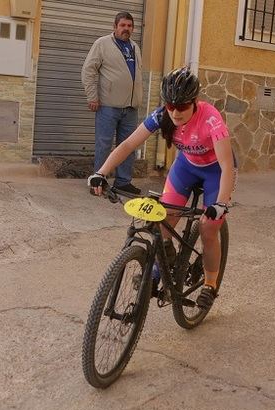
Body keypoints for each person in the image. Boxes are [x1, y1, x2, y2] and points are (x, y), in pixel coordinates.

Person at [88, 67, 236, 310]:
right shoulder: (162, 115)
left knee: (208, 228)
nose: (175, 112)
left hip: (215, 172)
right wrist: (101, 173)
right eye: (170, 105)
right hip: (186, 167)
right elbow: (127, 145)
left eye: (182, 106)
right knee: (163, 219)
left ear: (194, 102)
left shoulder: (211, 119)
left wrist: (220, 204)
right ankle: (163, 265)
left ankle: (210, 284)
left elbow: (227, 166)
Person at [81, 11, 143, 194]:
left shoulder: (134, 47)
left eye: (129, 26)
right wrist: (92, 96)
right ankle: (99, 181)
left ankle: (123, 181)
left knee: (129, 146)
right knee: (104, 144)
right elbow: (88, 71)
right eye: (122, 25)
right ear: (115, 27)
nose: (126, 29)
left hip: (131, 108)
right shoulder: (102, 44)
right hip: (108, 105)